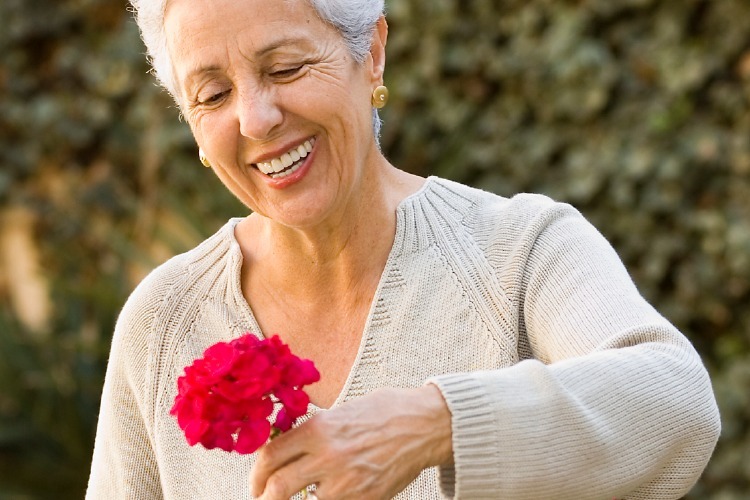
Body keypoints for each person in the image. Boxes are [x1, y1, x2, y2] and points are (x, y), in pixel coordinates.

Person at [85, 0, 721, 498]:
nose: (255, 118)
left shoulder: (521, 253)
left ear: (373, 56)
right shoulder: (164, 322)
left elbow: (675, 401)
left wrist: (434, 425)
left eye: (285, 69)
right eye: (213, 95)